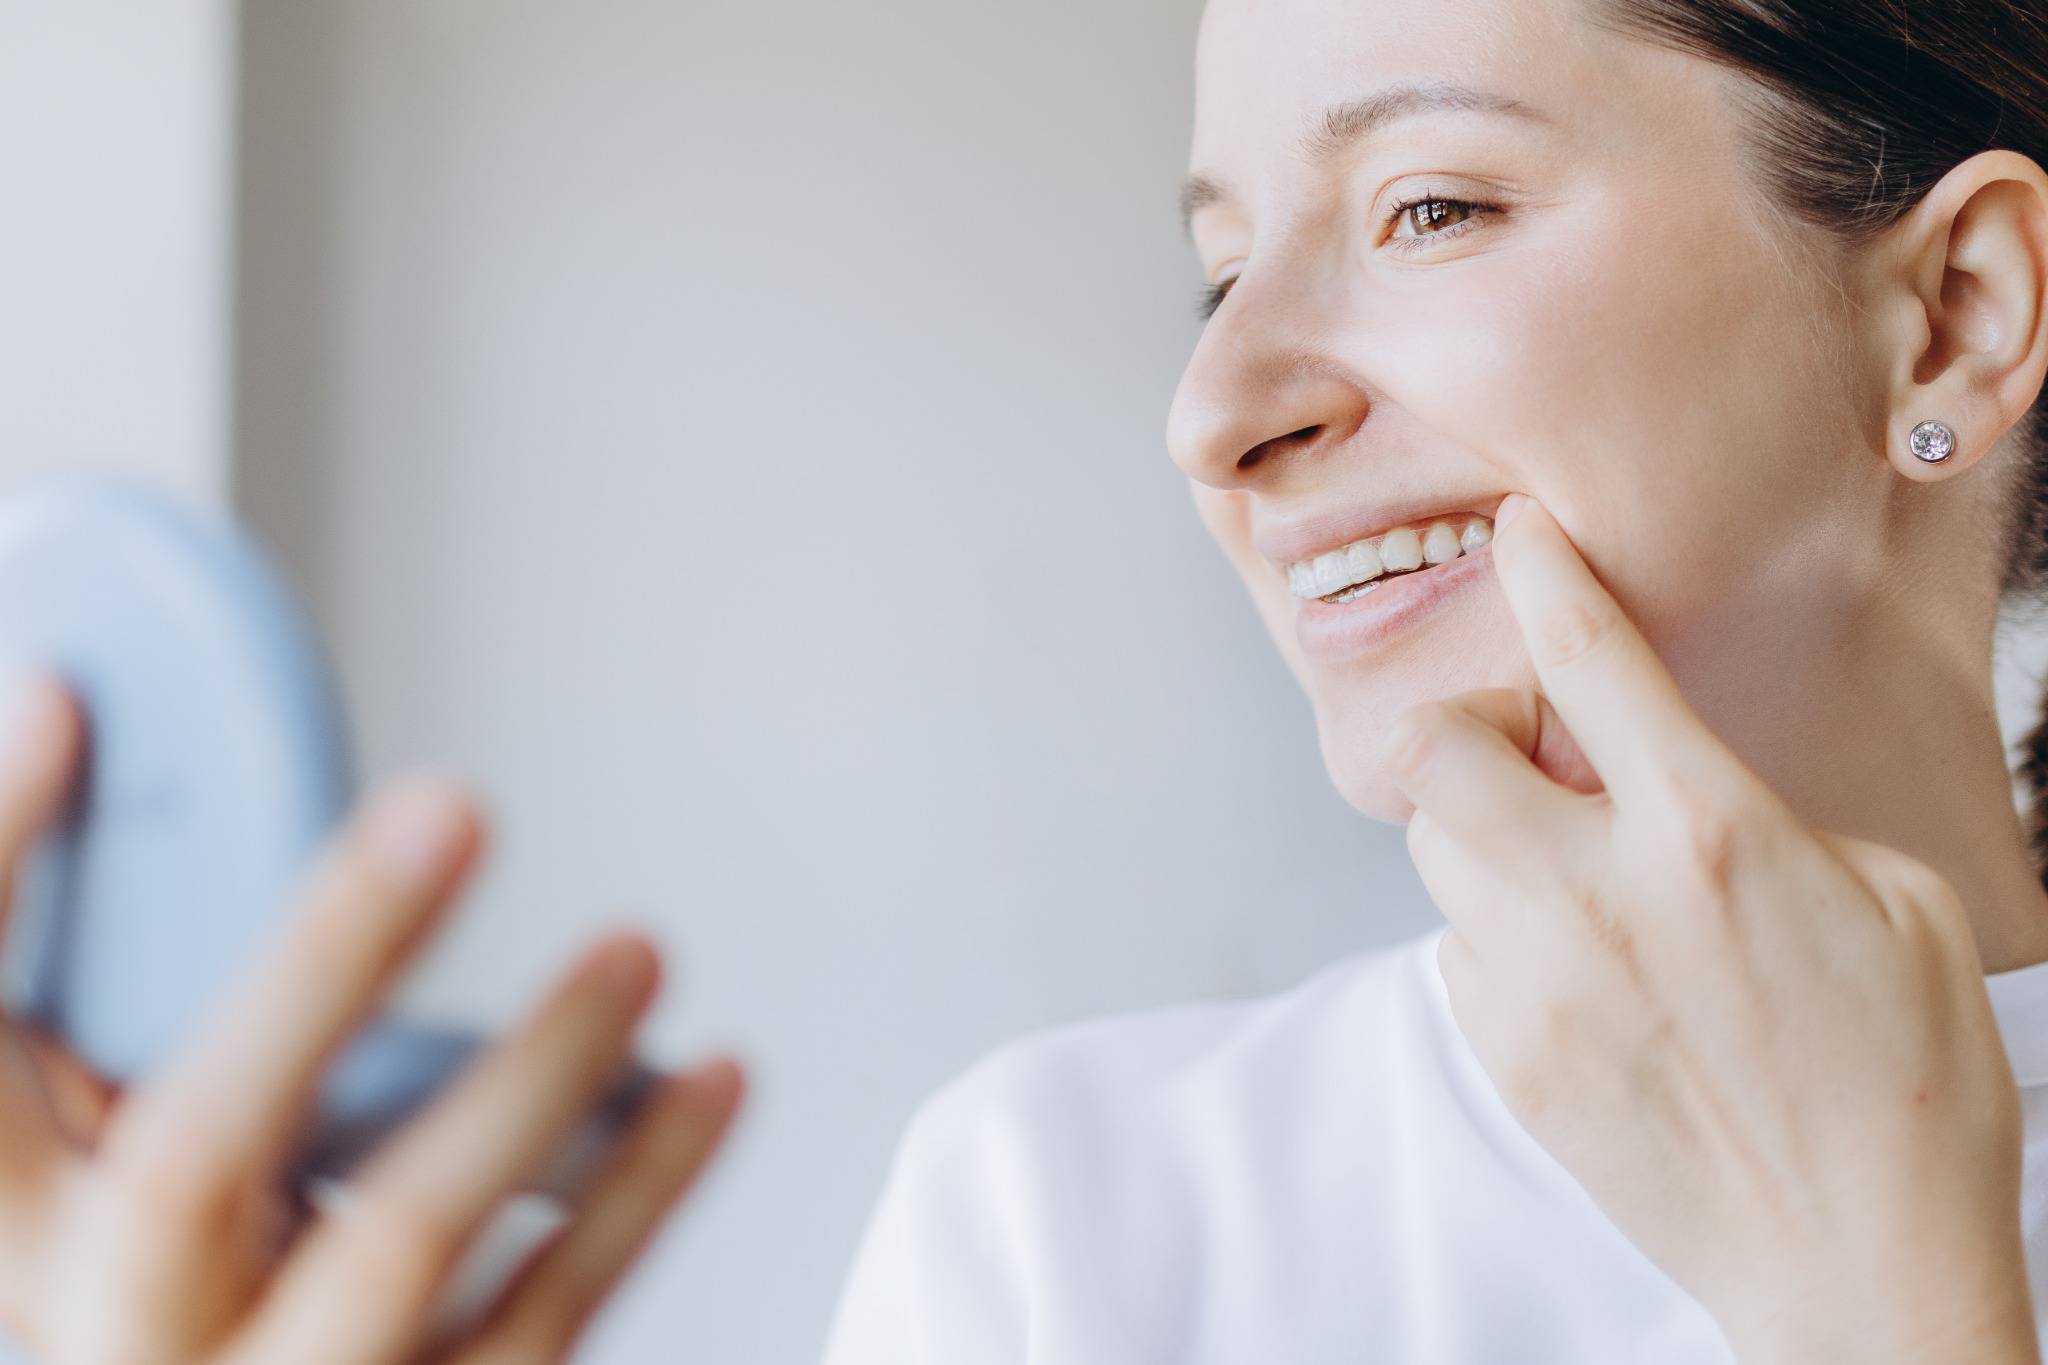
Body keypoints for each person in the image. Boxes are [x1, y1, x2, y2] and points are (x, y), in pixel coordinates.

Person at [818, 1, 2048, 1361]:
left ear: (1956, 315)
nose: (1211, 413)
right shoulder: (1056, 1224)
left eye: (1432, 210)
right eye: (1224, 278)